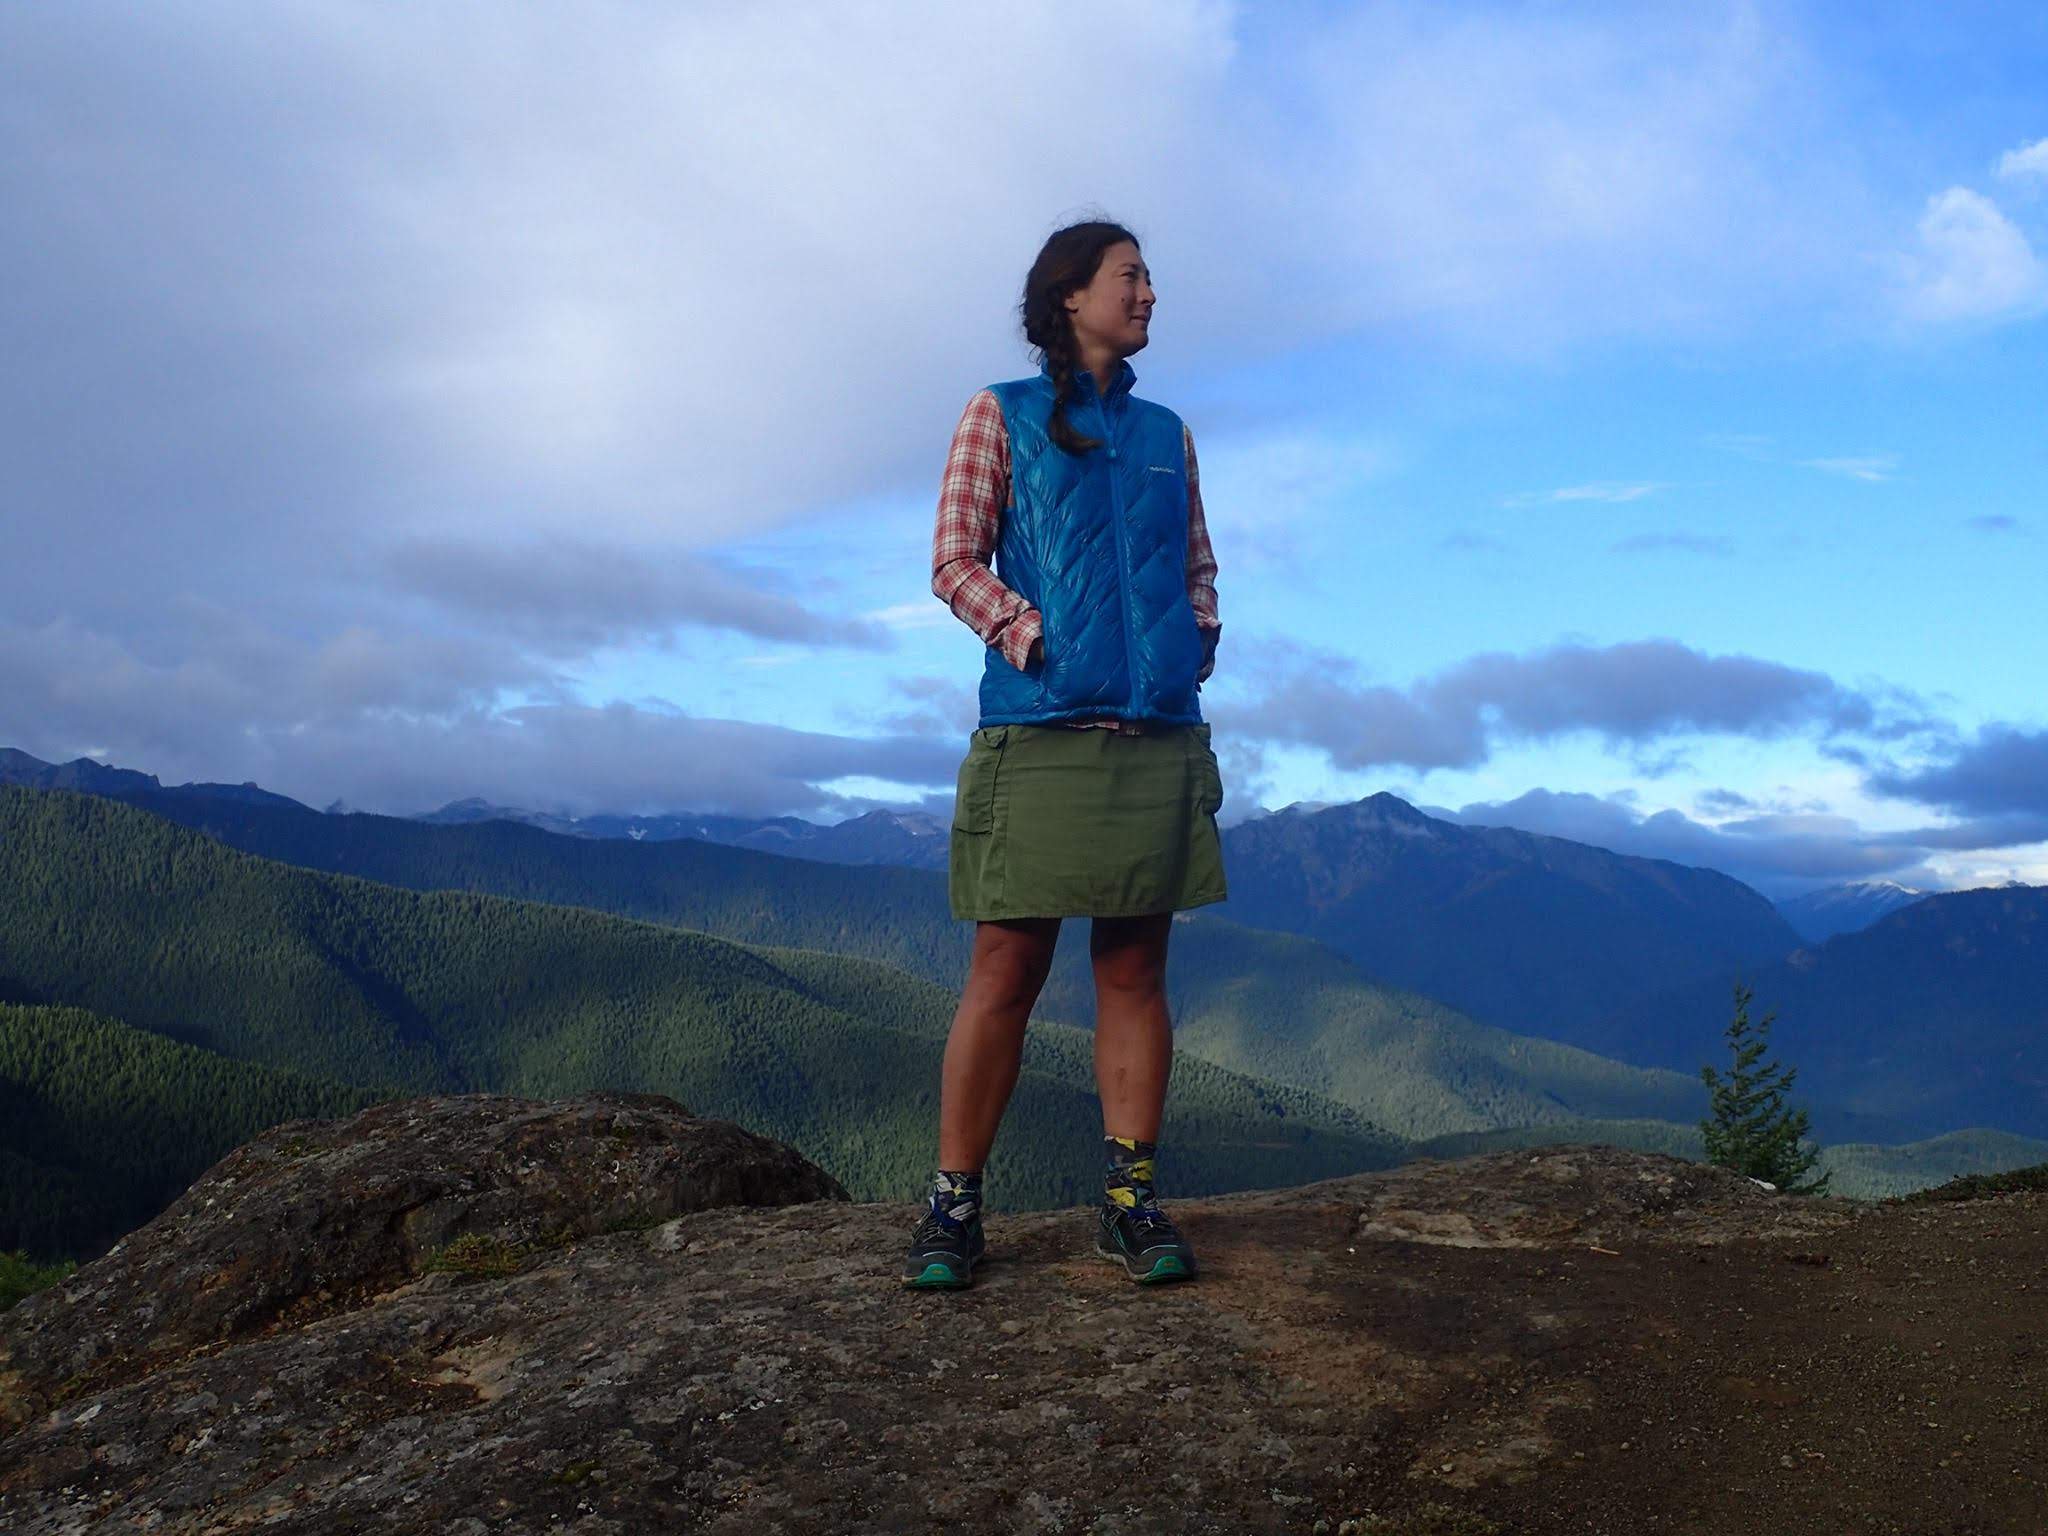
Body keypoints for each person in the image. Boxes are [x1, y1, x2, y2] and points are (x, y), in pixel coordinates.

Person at [904, 218, 1227, 1289]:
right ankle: (952, 1207)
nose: (1147, 294)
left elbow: (1195, 563)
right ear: (1070, 296)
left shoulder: (1164, 431)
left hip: (1155, 731)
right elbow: (953, 560)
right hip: (1040, 728)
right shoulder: (1000, 414)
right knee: (1006, 967)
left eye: (1145, 278)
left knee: (1134, 966)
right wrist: (1033, 636)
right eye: (1130, 277)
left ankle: (1128, 1200)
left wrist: (1195, 641)